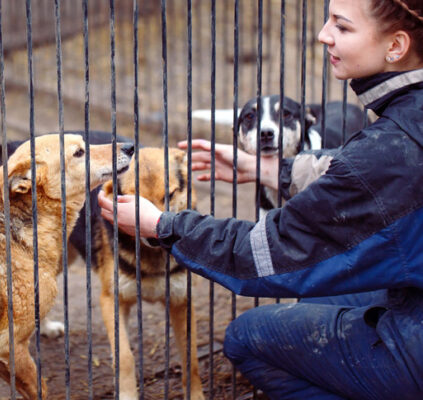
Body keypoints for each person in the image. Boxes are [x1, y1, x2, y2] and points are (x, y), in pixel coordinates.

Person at [98, 0, 423, 398]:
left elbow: (273, 251)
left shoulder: (391, 144)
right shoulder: (406, 121)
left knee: (245, 338)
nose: (323, 34)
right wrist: (272, 171)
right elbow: (373, 172)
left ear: (397, 45)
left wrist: (164, 226)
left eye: (341, 25)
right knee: (317, 299)